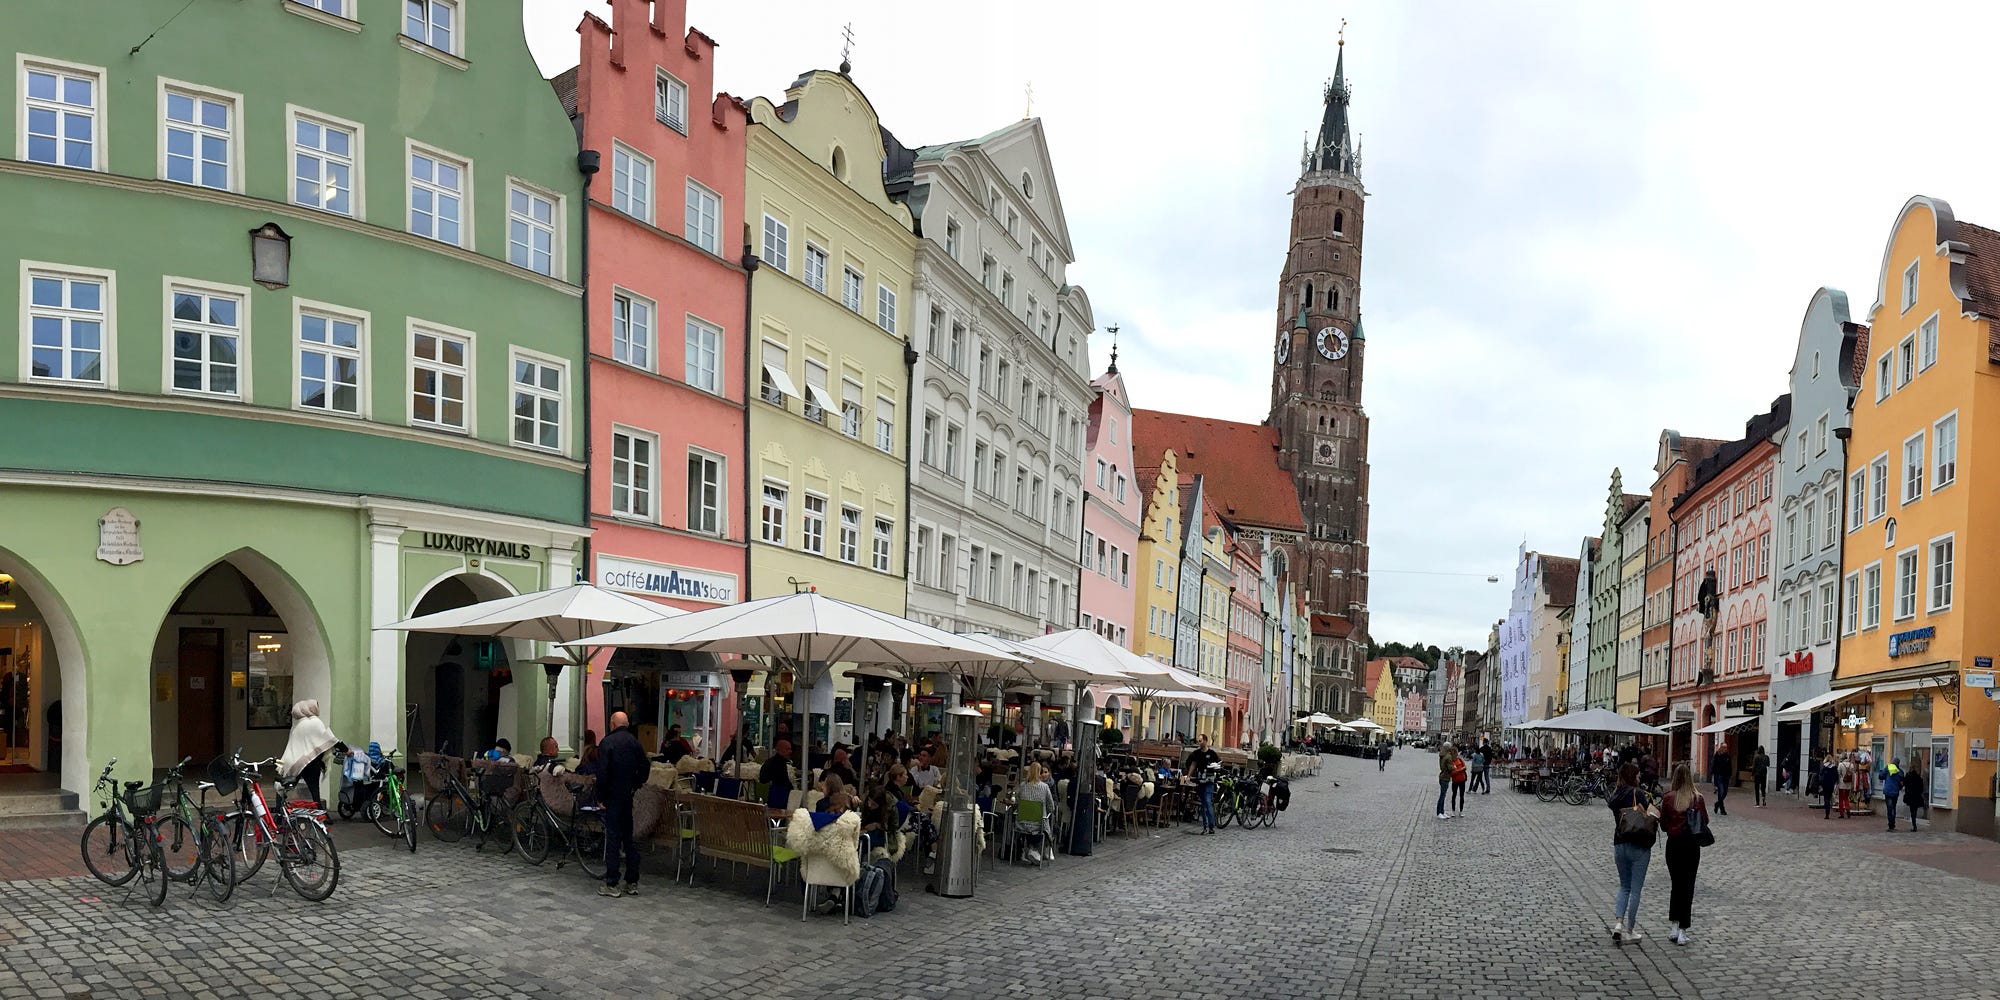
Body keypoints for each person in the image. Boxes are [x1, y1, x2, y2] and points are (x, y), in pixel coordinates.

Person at [594, 711, 648, 898]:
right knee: (628, 839)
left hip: (612, 796)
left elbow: (602, 773)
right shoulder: (635, 742)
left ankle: (612, 882)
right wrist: (636, 784)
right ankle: (632, 881)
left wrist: (600, 797)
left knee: (613, 838)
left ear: (612, 724)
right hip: (627, 795)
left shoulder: (607, 743)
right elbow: (645, 767)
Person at [1658, 762, 1709, 946]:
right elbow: (1705, 821)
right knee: (1688, 887)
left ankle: (1673, 925)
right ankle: (1682, 930)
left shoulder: (1669, 798)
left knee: (1676, 885)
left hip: (1674, 845)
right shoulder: (1697, 798)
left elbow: (1663, 824)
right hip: (1691, 846)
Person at [1606, 762, 1655, 943]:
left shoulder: (1616, 795)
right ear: (1632, 776)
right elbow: (1651, 813)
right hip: (1639, 844)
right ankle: (1630, 929)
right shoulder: (1637, 793)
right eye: (1638, 774)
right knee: (1635, 889)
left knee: (1623, 886)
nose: (1640, 777)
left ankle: (1618, 923)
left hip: (1620, 843)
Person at [281, 699, 340, 809]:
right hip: (311, 762)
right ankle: (323, 815)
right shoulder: (315, 722)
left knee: (284, 788)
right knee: (314, 790)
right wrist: (346, 750)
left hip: (296, 762)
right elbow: (330, 739)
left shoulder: (298, 725)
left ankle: (280, 814)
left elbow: (293, 746)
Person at [1015, 763, 1056, 863]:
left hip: (1021, 823)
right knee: (1047, 822)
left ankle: (1029, 850)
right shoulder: (1045, 787)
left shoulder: (1022, 786)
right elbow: (1051, 807)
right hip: (1038, 824)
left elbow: (1017, 801)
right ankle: (1039, 849)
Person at [1187, 734, 1220, 834]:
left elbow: (1218, 764)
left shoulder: (1212, 753)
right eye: (1198, 741)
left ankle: (1211, 825)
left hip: (1209, 781)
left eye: (1200, 741)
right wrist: (1189, 775)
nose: (1199, 743)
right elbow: (1193, 764)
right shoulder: (1197, 753)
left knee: (1207, 801)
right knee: (1203, 803)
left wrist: (1215, 767)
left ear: (1205, 741)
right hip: (1200, 780)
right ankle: (1205, 826)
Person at [761, 739, 796, 815]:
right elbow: (784, 782)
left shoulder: (769, 761)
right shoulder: (779, 764)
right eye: (787, 749)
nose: (790, 751)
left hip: (769, 799)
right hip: (778, 800)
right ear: (779, 750)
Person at [1901, 760, 1926, 831]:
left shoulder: (1908, 776)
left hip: (1910, 796)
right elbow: (1921, 788)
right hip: (1917, 796)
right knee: (1914, 810)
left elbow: (1904, 783)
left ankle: (1914, 824)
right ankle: (1914, 824)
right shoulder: (1919, 777)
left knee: (1912, 811)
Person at [1708, 745, 1731, 816]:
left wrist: (1730, 774)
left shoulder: (1728, 755)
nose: (1725, 749)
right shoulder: (1717, 755)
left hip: (1726, 776)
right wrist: (1714, 778)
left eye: (1726, 747)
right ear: (1721, 748)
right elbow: (1713, 766)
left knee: (1725, 792)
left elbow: (1730, 765)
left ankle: (1717, 804)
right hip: (1719, 776)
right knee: (1721, 792)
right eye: (1724, 747)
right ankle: (1722, 809)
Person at [1883, 759, 1904, 831]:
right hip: (1895, 792)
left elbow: (1880, 776)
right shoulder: (1900, 771)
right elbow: (1902, 782)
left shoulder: (1887, 768)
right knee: (1893, 808)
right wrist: (1899, 788)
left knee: (1889, 808)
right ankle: (1893, 824)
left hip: (1888, 791)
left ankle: (1890, 825)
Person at [1818, 754, 1838, 819]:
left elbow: (1820, 774)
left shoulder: (1824, 767)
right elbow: (1836, 777)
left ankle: (1827, 812)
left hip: (1825, 784)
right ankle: (1828, 808)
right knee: (1829, 797)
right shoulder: (1834, 767)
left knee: (1826, 798)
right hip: (1831, 785)